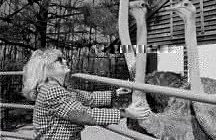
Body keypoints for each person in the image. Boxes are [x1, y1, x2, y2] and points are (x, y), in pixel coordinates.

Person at [22, 48, 150, 140]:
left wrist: (115, 93)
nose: (65, 61)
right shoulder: (51, 91)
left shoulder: (61, 89)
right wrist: (125, 113)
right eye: (59, 60)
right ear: (47, 69)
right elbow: (83, 114)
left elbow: (89, 98)